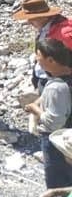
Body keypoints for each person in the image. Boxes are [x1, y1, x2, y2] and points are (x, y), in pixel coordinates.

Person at [29, 39, 72, 189]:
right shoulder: (65, 78)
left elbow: (54, 122)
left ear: (51, 60)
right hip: (69, 140)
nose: (36, 59)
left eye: (38, 55)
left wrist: (35, 109)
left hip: (56, 142)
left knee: (57, 185)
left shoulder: (57, 87)